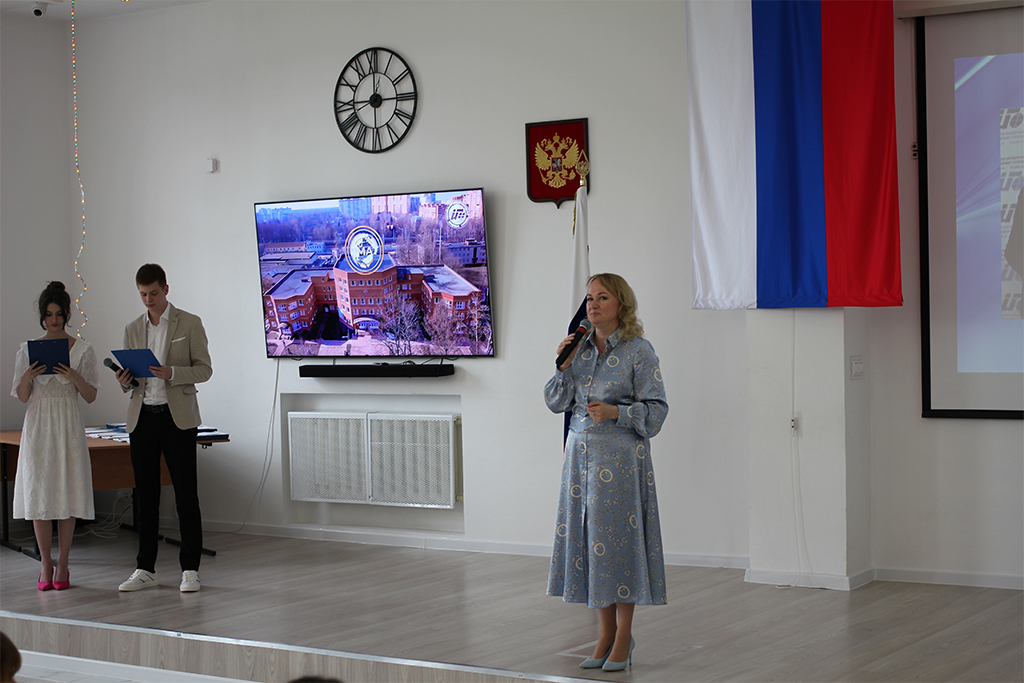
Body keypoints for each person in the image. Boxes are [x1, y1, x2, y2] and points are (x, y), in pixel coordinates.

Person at [544, 273, 668, 672]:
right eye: (589, 298)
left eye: (602, 298)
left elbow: (657, 411)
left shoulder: (638, 351)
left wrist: (618, 412)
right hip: (580, 461)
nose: (593, 305)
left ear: (621, 304)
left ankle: (624, 635)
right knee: (590, 544)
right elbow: (555, 402)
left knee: (618, 546)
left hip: (620, 462)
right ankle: (604, 634)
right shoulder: (578, 349)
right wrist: (562, 366)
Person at [115, 264, 212, 593]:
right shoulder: (132, 328)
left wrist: (173, 372)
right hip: (142, 417)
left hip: (177, 418)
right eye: (143, 294)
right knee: (145, 496)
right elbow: (131, 381)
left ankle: (190, 569)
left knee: (186, 495)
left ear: (166, 289)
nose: (148, 300)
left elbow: (204, 370)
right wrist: (124, 380)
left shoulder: (190, 323)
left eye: (153, 293)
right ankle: (145, 568)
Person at [10, 282, 99, 591]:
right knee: (40, 494)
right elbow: (23, 396)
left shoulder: (83, 349)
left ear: (67, 314)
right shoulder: (27, 350)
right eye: (48, 315)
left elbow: (91, 396)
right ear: (42, 316)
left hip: (67, 425)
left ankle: (63, 564)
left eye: (59, 314)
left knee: (67, 493)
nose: (54, 320)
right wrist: (27, 376)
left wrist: (73, 376)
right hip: (38, 425)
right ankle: (45, 563)